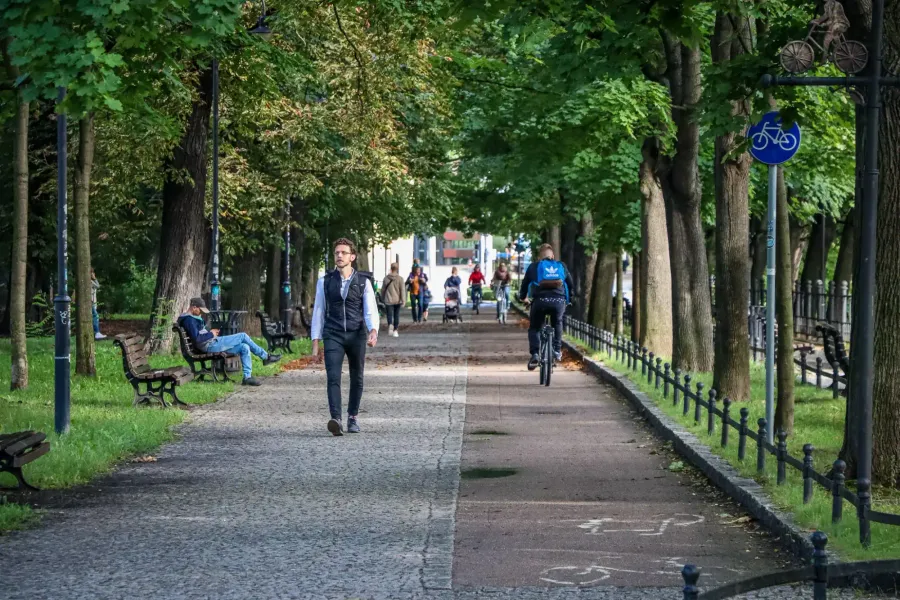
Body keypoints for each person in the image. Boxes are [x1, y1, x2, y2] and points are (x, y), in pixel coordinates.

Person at [311, 238, 379, 436]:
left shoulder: (363, 282)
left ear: (352, 257)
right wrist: (315, 341)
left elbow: (370, 310)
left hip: (357, 334)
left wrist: (373, 330)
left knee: (357, 377)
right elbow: (319, 311)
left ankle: (352, 417)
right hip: (333, 334)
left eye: (343, 253)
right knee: (333, 377)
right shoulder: (325, 282)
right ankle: (336, 419)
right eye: (336, 253)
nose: (339, 256)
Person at [178, 298, 281, 386]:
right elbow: (197, 339)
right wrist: (211, 334)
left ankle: (247, 378)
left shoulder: (191, 319)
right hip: (210, 345)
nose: (201, 313)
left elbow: (199, 334)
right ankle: (266, 357)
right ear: (194, 307)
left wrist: (209, 331)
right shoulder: (189, 320)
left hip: (212, 343)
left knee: (244, 347)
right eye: (200, 310)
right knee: (243, 336)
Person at [517, 243, 575, 370]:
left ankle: (535, 353)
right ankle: (556, 349)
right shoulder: (561, 266)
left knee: (535, 328)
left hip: (540, 301)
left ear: (539, 257)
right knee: (557, 322)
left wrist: (523, 298)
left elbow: (525, 284)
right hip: (558, 301)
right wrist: (569, 299)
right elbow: (570, 284)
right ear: (553, 256)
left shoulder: (534, 267)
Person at [381, 263, 406, 338]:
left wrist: (382, 298)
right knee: (396, 315)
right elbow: (402, 290)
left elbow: (383, 290)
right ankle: (395, 330)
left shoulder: (386, 278)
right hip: (397, 300)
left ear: (391, 268)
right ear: (397, 269)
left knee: (389, 314)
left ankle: (390, 327)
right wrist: (403, 300)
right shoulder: (400, 279)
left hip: (388, 299)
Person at [91, 269, 106, 340]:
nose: (93, 274)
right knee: (95, 316)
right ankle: (97, 332)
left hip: (92, 302)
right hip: (90, 302)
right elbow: (98, 286)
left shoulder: (91, 281)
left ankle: (95, 333)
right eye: (92, 273)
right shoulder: (89, 281)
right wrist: (95, 278)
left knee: (94, 317)